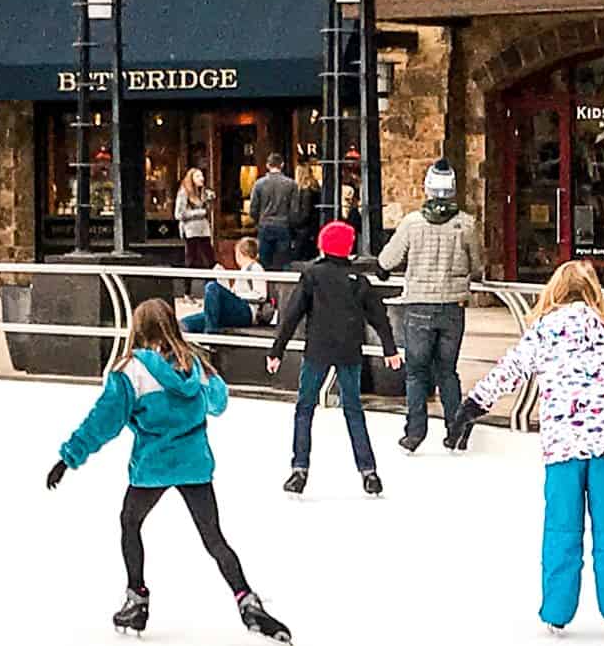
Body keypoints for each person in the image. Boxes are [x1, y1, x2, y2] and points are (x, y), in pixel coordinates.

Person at [447, 260, 604, 633]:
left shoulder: (541, 333)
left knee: (561, 530)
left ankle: (557, 611)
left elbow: (507, 372)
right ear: (593, 294)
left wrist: (471, 407)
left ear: (553, 292)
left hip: (562, 449)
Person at [46, 295, 291, 646]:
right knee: (214, 538)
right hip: (194, 465)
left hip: (153, 466)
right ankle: (247, 600)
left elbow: (102, 422)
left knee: (130, 523)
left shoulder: (130, 371)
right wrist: (209, 372)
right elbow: (219, 403)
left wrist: (68, 458)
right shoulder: (193, 363)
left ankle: (137, 597)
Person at [266, 218, 398, 498]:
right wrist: (389, 348)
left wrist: (277, 350)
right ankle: (369, 472)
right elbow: (379, 316)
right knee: (353, 410)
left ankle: (299, 470)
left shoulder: (312, 276)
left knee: (305, 408)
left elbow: (292, 315)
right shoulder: (358, 280)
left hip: (318, 350)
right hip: (350, 352)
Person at [380, 160, 488, 455]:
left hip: (418, 306)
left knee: (416, 372)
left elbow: (388, 259)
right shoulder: (465, 223)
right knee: (447, 371)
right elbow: (478, 264)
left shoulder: (412, 223)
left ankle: (414, 433)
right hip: (453, 305)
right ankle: (456, 430)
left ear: (427, 188)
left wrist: (384, 269)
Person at [180, 237, 267, 337]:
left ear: (239, 253)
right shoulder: (243, 270)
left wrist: (236, 295)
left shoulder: (255, 268)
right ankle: (207, 327)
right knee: (186, 323)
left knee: (211, 287)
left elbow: (261, 295)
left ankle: (212, 332)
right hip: (234, 310)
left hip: (247, 310)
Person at [249, 153, 302, 272]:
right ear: (282, 165)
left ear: (268, 165)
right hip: (283, 226)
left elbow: (253, 209)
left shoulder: (259, 184)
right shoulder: (291, 184)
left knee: (264, 263)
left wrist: (259, 222)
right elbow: (294, 211)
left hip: (265, 225)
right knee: (283, 264)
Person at [175, 161, 217, 276]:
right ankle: (187, 292)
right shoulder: (184, 192)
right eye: (198, 176)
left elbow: (208, 210)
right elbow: (179, 214)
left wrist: (209, 201)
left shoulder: (203, 192)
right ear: (191, 178)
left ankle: (212, 286)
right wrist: (200, 213)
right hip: (191, 230)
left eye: (202, 176)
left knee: (210, 259)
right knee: (190, 260)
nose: (201, 178)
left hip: (204, 229)